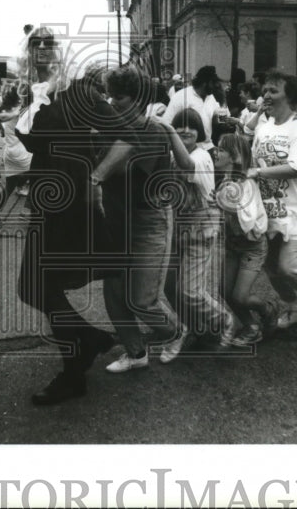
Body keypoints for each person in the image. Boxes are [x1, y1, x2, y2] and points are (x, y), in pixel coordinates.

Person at [14, 31, 131, 404]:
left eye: (50, 43)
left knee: (38, 285)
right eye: (36, 44)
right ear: (28, 53)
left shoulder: (79, 93)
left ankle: (74, 369)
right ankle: (86, 344)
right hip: (45, 201)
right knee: (37, 286)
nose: (43, 49)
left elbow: (127, 138)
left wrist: (95, 177)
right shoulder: (33, 93)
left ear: (61, 52)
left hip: (72, 204)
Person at [102, 64, 187, 372]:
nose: (112, 102)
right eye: (109, 96)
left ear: (137, 98)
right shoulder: (114, 128)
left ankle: (175, 332)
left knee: (143, 300)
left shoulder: (152, 129)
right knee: (114, 292)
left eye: (119, 96)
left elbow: (124, 174)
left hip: (149, 219)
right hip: (119, 219)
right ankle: (135, 352)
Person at [245, 71, 297, 330]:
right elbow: (255, 162)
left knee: (290, 266)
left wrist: (258, 172)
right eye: (265, 90)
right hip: (269, 210)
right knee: (271, 267)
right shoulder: (264, 127)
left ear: (289, 96)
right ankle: (294, 308)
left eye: (273, 91)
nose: (266, 95)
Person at [165, 108, 236, 348]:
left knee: (191, 291)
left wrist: (168, 133)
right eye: (179, 126)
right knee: (169, 285)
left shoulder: (201, 156)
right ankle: (194, 327)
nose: (185, 130)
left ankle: (223, 319)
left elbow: (187, 167)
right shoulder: (174, 154)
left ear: (200, 132)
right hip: (177, 225)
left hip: (200, 226)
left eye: (191, 127)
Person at [214, 132, 272, 345]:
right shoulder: (226, 180)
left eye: (221, 149)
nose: (215, 152)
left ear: (235, 155)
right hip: (232, 244)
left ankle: (267, 309)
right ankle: (251, 326)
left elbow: (245, 222)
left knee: (240, 296)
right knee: (224, 291)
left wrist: (223, 204)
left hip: (252, 246)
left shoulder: (246, 183)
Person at [162, 65, 223, 150]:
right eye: (213, 83)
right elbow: (166, 123)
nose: (216, 86)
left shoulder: (211, 98)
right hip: (187, 149)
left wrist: (219, 121)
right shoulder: (181, 96)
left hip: (208, 146)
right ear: (204, 83)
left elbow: (215, 121)